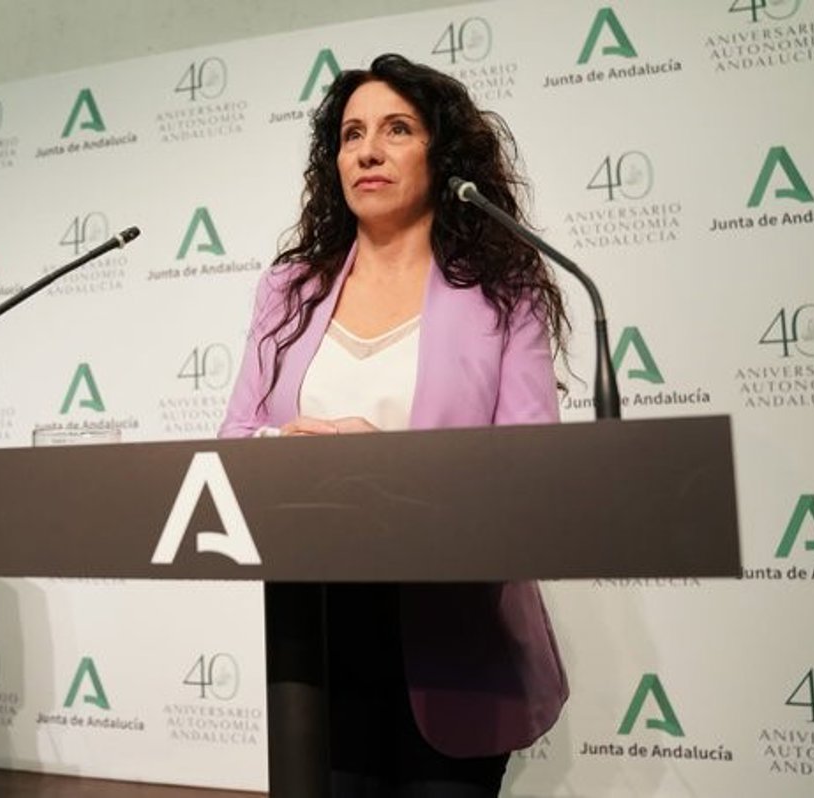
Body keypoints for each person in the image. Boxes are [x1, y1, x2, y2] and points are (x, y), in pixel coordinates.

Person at [219, 54, 570, 797]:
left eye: (397, 130)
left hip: (459, 641)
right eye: (351, 135)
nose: (368, 151)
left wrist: (390, 464)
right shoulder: (290, 289)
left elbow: (533, 463)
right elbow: (235, 440)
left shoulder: (504, 289)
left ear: (443, 155)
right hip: (317, 638)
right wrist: (285, 451)